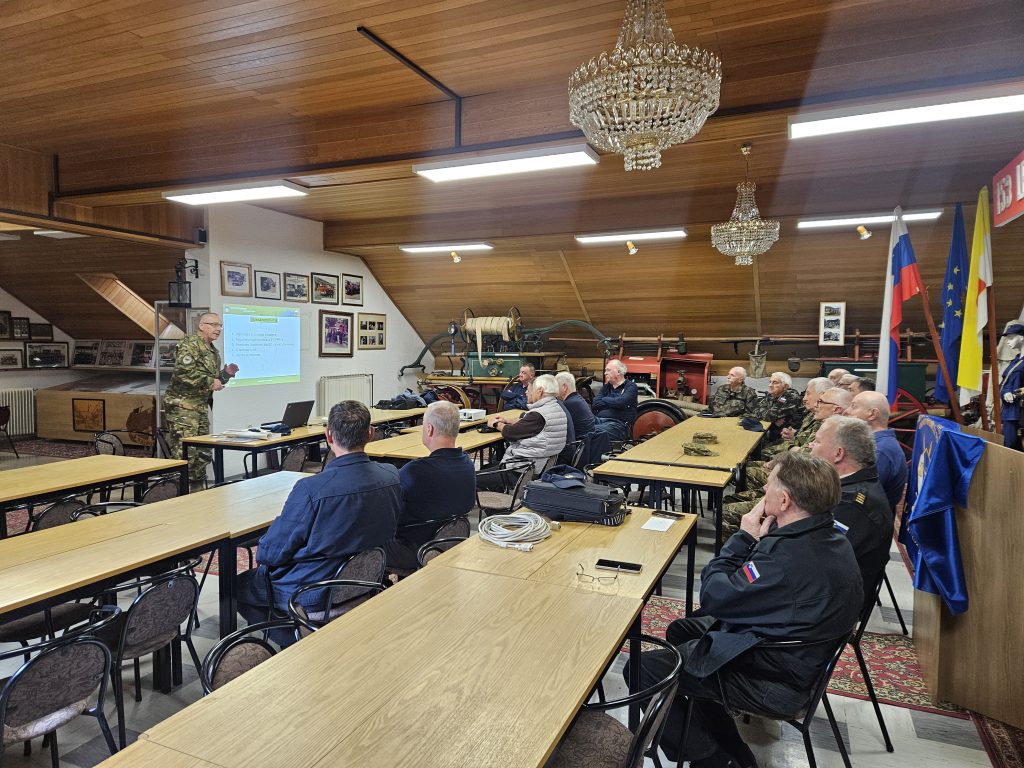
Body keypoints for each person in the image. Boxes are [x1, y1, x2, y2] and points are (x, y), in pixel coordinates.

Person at [628, 452, 862, 768]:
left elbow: (713, 595)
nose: (763, 491)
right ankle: (724, 740)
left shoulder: (785, 561)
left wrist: (744, 537)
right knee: (682, 630)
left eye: (768, 487)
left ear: (784, 501)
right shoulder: (829, 534)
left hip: (775, 680)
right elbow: (757, 584)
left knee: (641, 669)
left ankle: (712, 758)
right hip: (792, 653)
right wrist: (761, 543)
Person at [235, 401, 402, 631]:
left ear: (328, 436)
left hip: (312, 591)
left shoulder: (311, 490)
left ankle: (293, 641)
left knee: (238, 586)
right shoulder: (391, 476)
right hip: (365, 580)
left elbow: (270, 554)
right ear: (371, 434)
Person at [723, 386, 851, 538]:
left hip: (794, 490)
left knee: (731, 502)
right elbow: (800, 445)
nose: (816, 404)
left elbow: (804, 455)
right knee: (732, 493)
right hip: (790, 483)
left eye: (821, 402)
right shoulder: (825, 425)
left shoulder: (836, 433)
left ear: (836, 409)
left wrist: (787, 455)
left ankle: (742, 552)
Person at [810, 415, 895, 612]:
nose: (810, 446)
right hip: (822, 591)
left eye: (818, 441)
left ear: (838, 454)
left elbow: (818, 560)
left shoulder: (852, 506)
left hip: (827, 606)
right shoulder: (847, 486)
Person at [385, 401, 476, 571]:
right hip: (448, 545)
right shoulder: (467, 464)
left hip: (413, 548)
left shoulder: (416, 471)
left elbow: (387, 502)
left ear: (429, 429)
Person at [163, 312, 239, 489]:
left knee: (203, 453)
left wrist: (225, 375)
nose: (218, 329)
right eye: (214, 325)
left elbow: (210, 380)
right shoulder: (190, 344)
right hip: (182, 408)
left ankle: (197, 493)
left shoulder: (212, 351)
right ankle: (178, 494)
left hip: (199, 408)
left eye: (220, 326)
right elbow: (183, 373)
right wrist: (211, 381)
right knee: (185, 454)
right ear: (202, 326)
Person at [488, 374, 568, 471]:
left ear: (540, 391)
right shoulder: (556, 408)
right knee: (488, 466)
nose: (526, 392)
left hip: (521, 469)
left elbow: (510, 433)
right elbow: (529, 424)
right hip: (540, 465)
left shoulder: (538, 415)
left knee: (474, 478)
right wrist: (507, 420)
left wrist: (496, 423)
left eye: (529, 390)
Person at [847, 390, 908, 509]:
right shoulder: (876, 444)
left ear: (872, 414)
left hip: (868, 519)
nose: (847, 411)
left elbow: (863, 494)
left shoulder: (881, 451)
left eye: (854, 407)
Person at [592, 359, 638, 442]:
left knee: (593, 431)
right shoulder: (606, 387)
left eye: (608, 370)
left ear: (618, 372)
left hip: (618, 425)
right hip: (599, 420)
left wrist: (604, 399)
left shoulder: (631, 387)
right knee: (581, 426)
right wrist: (615, 402)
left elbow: (622, 403)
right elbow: (595, 403)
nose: (605, 373)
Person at [751, 371, 804, 443]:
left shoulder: (791, 397)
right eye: (770, 382)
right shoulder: (772, 395)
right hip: (773, 432)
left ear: (785, 386)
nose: (770, 385)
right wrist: (773, 420)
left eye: (775, 383)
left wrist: (768, 413)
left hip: (786, 438)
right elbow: (755, 410)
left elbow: (769, 416)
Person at [999, 322, 1024, 451]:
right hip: (1009, 411)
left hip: (1020, 412)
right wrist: (1005, 393)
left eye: (1011, 337)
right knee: (1009, 447)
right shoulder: (1016, 360)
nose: (1008, 341)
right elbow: (1003, 384)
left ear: (1022, 337)